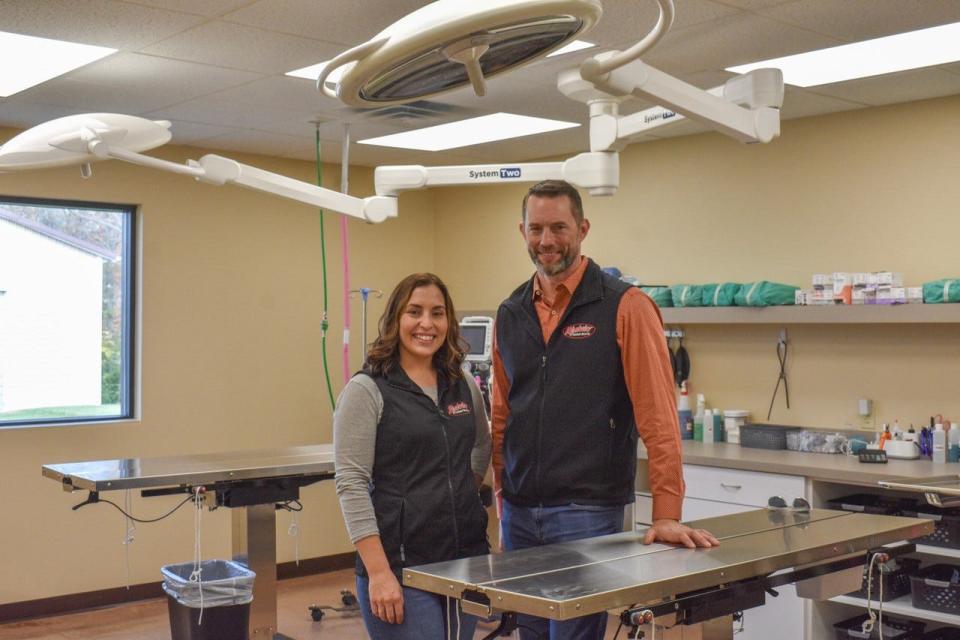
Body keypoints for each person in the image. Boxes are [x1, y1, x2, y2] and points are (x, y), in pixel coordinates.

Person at [491, 180, 719, 640]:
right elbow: (502, 415)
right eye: (536, 229)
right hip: (519, 512)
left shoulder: (625, 306)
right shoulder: (510, 312)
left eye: (559, 227)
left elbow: (658, 418)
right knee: (529, 632)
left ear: (583, 228)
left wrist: (667, 512)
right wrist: (501, 497)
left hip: (586, 512)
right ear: (522, 231)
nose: (547, 241)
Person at [334, 273, 491, 640]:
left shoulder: (462, 383)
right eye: (414, 312)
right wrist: (379, 573)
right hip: (401, 568)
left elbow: (482, 444)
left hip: (464, 559)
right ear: (395, 321)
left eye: (437, 313)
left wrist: (459, 492)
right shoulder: (367, 389)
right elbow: (351, 484)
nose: (426, 323)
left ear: (448, 322)